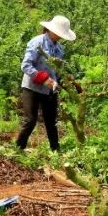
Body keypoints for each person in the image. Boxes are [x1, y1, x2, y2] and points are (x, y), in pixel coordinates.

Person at [17, 15, 76, 152]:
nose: (61, 37)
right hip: (32, 87)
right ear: (52, 30)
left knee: (51, 122)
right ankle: (18, 148)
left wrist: (66, 83)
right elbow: (25, 66)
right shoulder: (37, 43)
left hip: (50, 90)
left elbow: (57, 71)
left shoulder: (60, 49)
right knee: (30, 120)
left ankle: (56, 151)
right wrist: (44, 78)